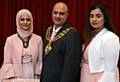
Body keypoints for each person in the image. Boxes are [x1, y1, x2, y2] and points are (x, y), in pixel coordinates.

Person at [41, 2, 83, 82]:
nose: (57, 16)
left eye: (61, 14)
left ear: (67, 15)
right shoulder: (48, 31)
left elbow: (71, 68)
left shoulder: (73, 34)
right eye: (55, 13)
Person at [80, 3, 120, 82]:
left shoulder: (111, 38)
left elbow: (110, 70)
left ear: (105, 18)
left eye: (98, 16)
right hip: (86, 74)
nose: (94, 19)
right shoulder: (90, 36)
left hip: (100, 77)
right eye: (91, 16)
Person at [0, 9, 43, 80]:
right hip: (15, 77)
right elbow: (7, 62)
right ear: (18, 21)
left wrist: (37, 78)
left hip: (32, 76)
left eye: (28, 19)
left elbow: (39, 61)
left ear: (31, 21)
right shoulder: (10, 40)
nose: (25, 22)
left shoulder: (38, 39)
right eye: (22, 19)